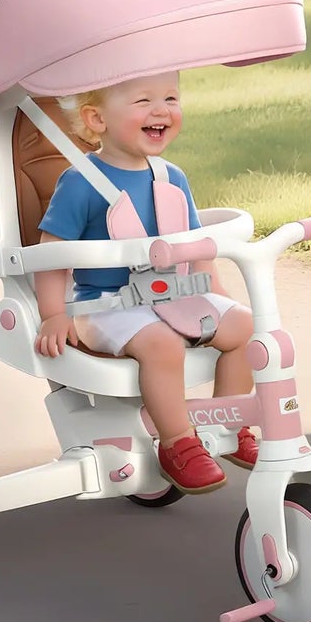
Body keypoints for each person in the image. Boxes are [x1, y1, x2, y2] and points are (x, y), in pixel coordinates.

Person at [32, 72, 257, 493]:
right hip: (105, 307)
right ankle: (178, 443)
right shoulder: (80, 182)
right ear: (96, 119)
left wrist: (216, 293)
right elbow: (51, 254)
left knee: (246, 326)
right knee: (161, 345)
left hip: (175, 296)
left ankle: (227, 425)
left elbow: (196, 248)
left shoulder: (172, 177)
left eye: (171, 97)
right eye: (143, 101)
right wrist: (53, 314)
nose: (161, 110)